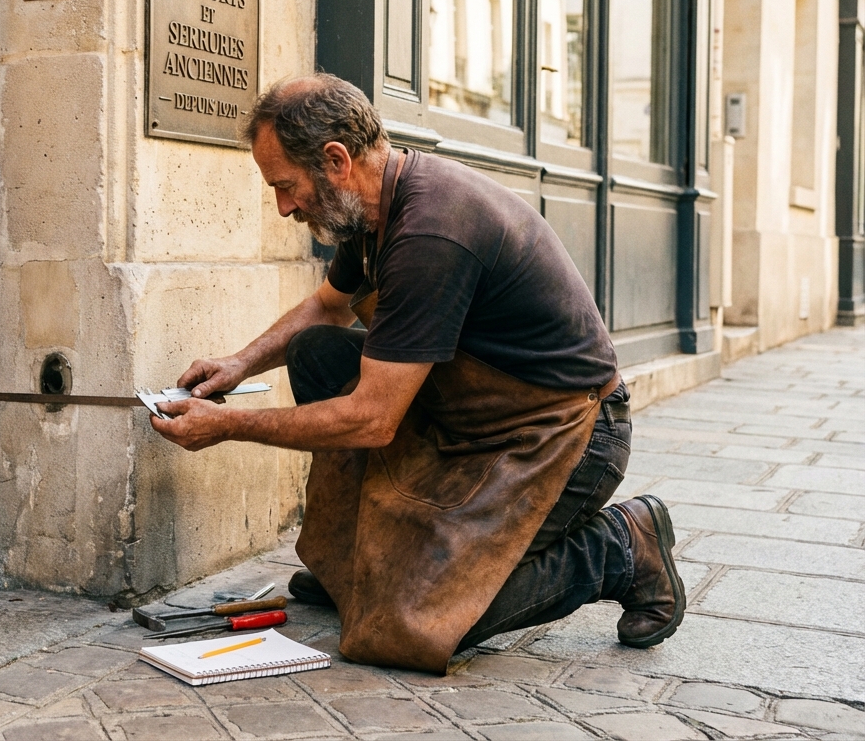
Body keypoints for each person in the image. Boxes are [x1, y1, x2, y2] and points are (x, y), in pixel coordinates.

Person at [150, 74, 685, 673]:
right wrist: (238, 363)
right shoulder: (374, 208)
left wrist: (229, 427)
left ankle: (622, 547)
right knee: (319, 353)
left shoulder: (431, 231)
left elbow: (373, 420)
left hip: (566, 434)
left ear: (336, 161)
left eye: (286, 186)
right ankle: (358, 566)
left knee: (414, 626)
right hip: (466, 412)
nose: (284, 206)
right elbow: (327, 306)